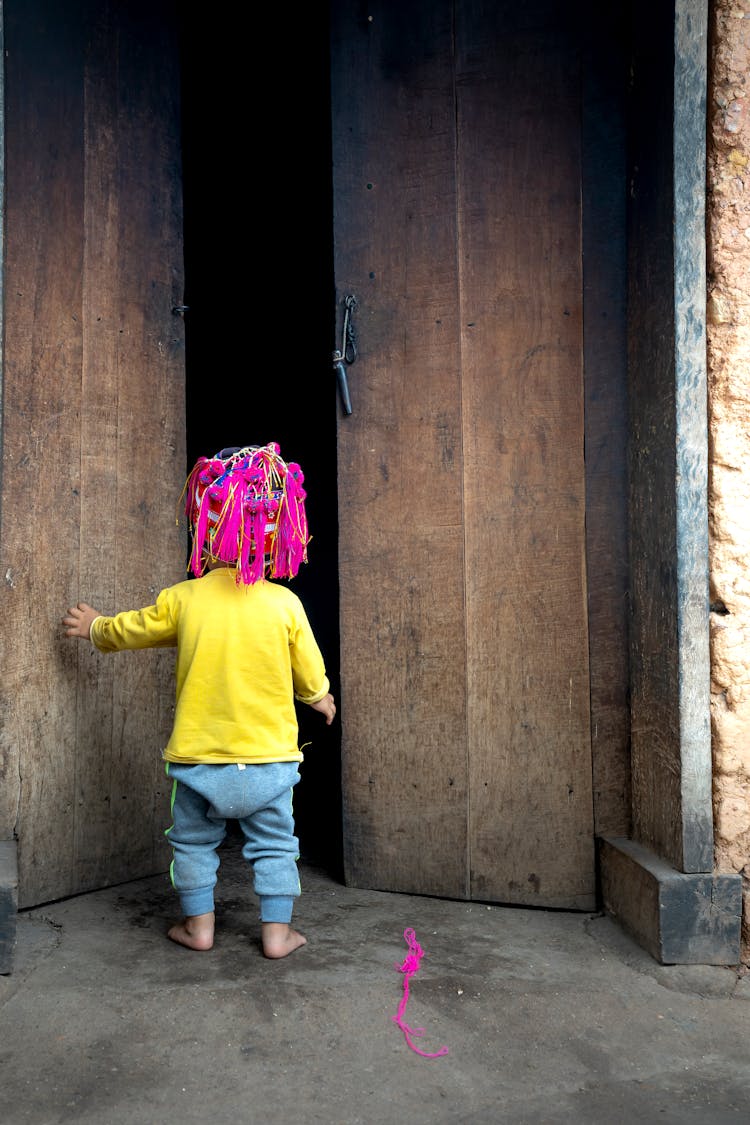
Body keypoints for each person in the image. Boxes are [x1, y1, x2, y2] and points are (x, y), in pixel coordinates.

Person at [62, 443, 335, 959]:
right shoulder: (285, 604)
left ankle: (198, 929)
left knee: (191, 843)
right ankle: (276, 935)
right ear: (277, 532)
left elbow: (133, 629)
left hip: (198, 763)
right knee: (277, 846)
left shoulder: (184, 600)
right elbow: (309, 670)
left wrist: (94, 626)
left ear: (204, 529)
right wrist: (320, 700)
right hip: (269, 763)